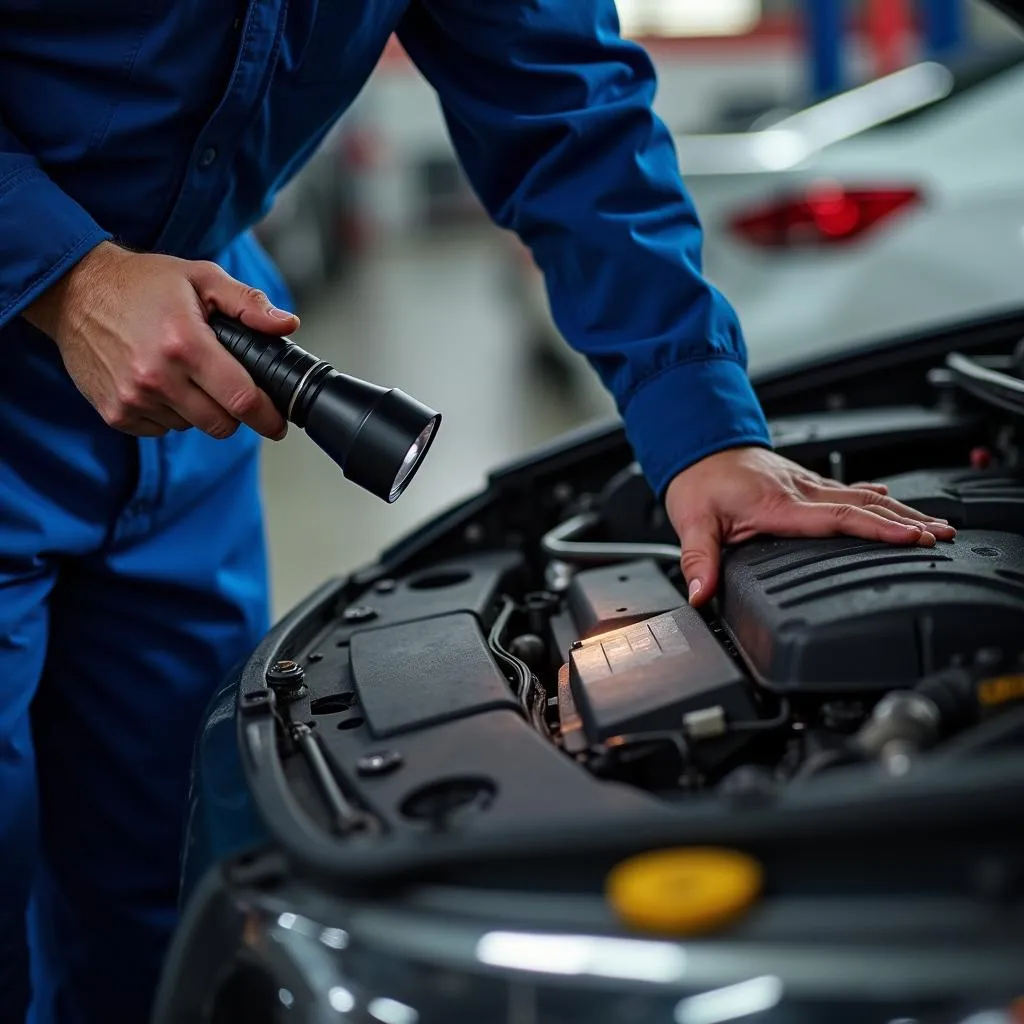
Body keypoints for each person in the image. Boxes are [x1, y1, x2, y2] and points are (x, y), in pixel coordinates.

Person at [0, 2, 953, 1021]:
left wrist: (705, 429)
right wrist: (70, 277)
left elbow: (565, 102)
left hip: (194, 386)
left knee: (163, 902)